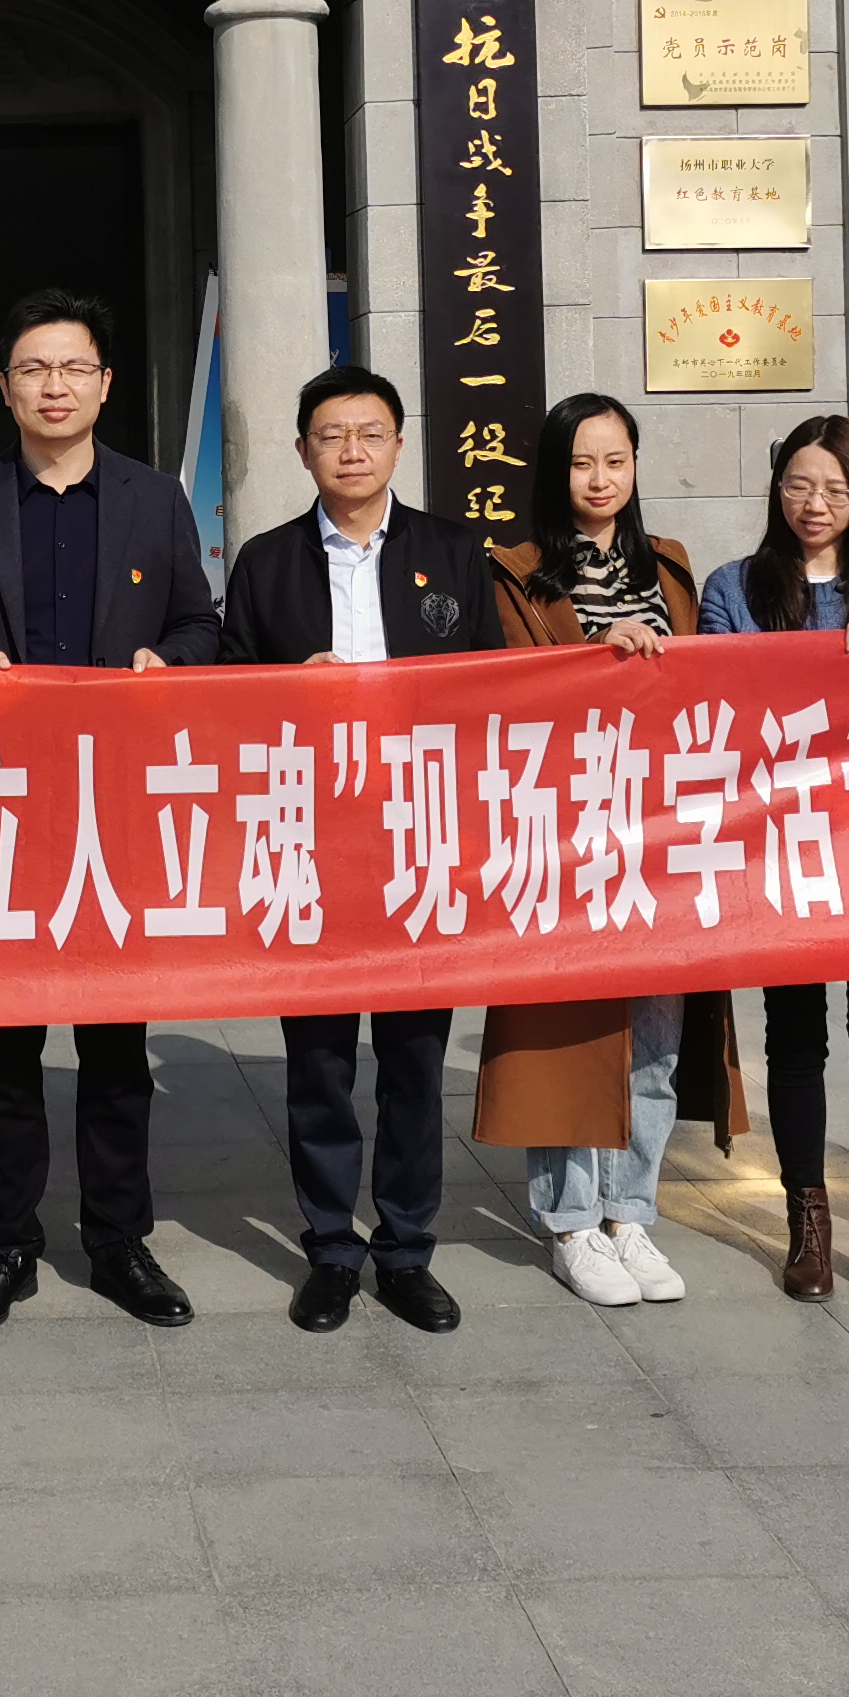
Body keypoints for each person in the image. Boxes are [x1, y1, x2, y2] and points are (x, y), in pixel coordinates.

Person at [0, 288, 220, 1334]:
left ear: (105, 384)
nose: (54, 386)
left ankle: (120, 1242)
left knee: (117, 1046)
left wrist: (165, 662)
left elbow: (200, 622)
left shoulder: (153, 501)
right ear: (5, 387)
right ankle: (6, 1245)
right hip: (1, 812)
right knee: (3, 1045)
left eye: (73, 368)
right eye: (34, 369)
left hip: (114, 809)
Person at [218, 364, 499, 1336]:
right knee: (321, 1059)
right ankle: (332, 1248)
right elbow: (227, 697)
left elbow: (494, 687)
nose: (351, 450)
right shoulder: (265, 563)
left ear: (398, 445)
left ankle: (407, 1249)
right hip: (314, 834)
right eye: (331, 434)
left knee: (416, 1056)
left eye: (369, 433)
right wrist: (292, 689)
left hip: (421, 832)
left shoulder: (452, 552)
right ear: (303, 450)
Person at [474, 392, 748, 1309]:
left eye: (616, 461)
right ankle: (571, 1223)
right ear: (554, 472)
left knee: (656, 1037)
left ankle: (632, 1212)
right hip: (567, 831)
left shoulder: (670, 564)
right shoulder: (515, 571)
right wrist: (598, 653)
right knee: (570, 1036)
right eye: (582, 462)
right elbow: (512, 690)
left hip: (663, 832)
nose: (600, 480)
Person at [700, 415, 849, 1312]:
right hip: (781, 842)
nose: (815, 504)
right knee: (794, 1037)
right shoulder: (735, 586)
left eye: (836, 489)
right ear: (777, 491)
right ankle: (808, 1224)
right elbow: (715, 700)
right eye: (800, 485)